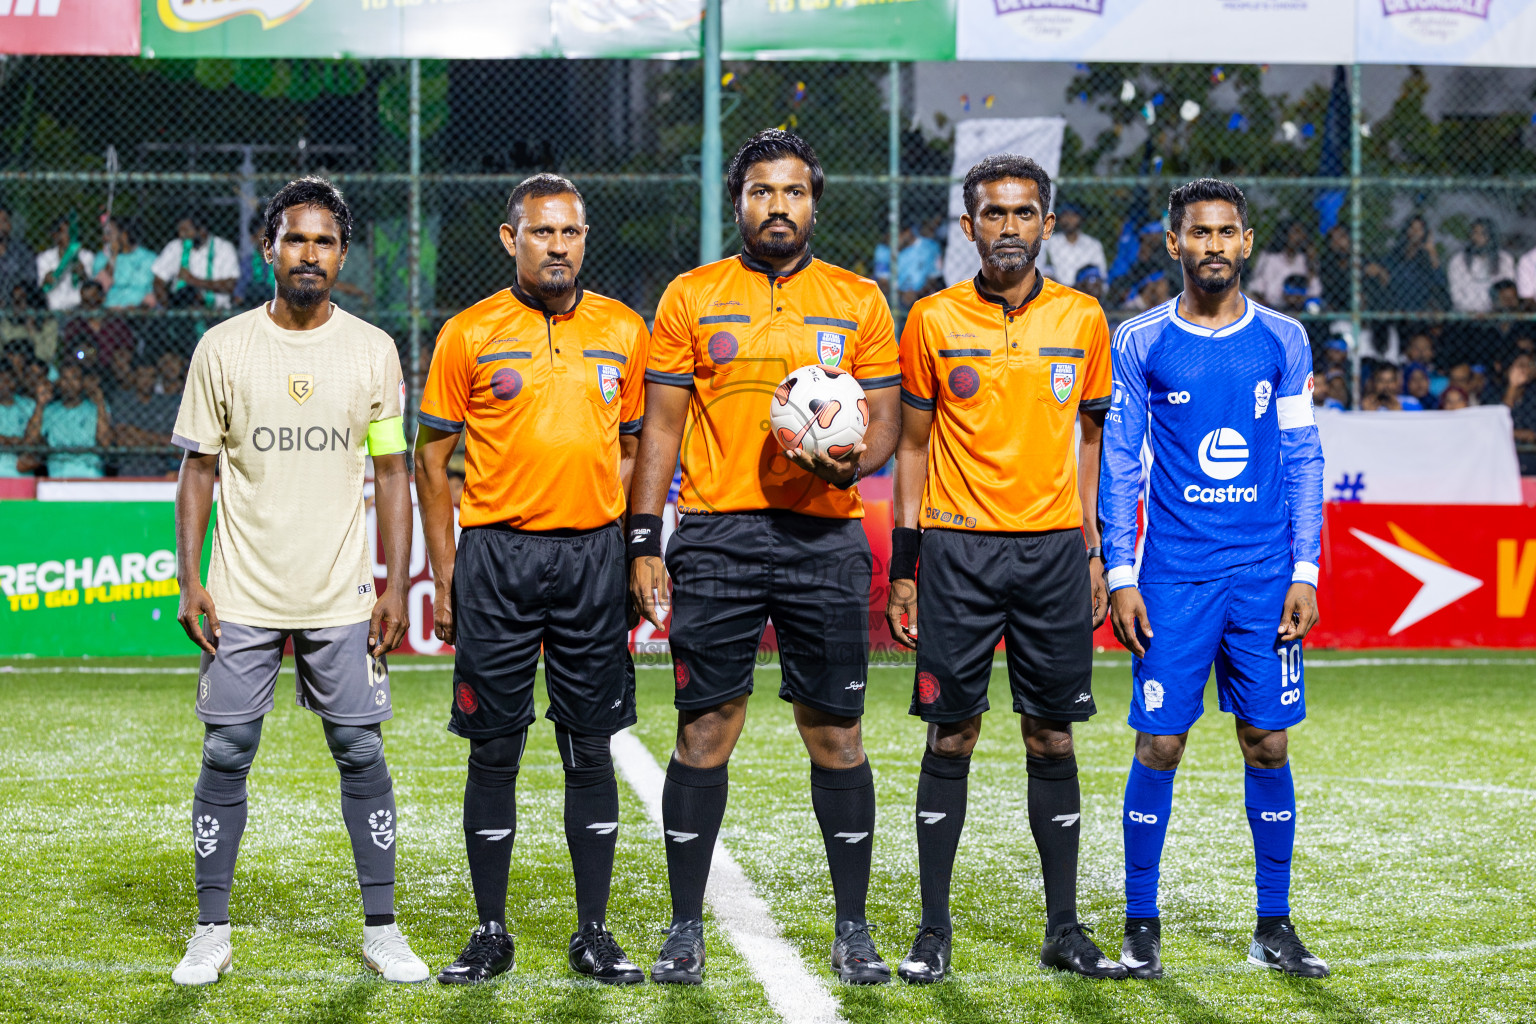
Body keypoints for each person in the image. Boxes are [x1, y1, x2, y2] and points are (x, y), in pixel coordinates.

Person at [628, 129, 901, 986]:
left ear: (814, 202)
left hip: (825, 535)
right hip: (717, 534)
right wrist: (646, 538)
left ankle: (852, 928)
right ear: (739, 200)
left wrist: (851, 458)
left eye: (792, 192)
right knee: (706, 728)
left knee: (837, 734)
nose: (776, 207)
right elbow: (662, 429)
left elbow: (886, 423)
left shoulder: (858, 300)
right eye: (760, 192)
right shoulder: (690, 296)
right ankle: (682, 926)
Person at [167, 176, 427, 986]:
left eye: (323, 241)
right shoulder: (223, 347)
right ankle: (211, 929)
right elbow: (197, 471)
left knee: (359, 749)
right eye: (294, 239)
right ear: (268, 249)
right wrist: (189, 578)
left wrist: (390, 584)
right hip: (242, 589)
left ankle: (382, 928)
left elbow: (391, 472)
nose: (308, 253)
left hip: (341, 593)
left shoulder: (373, 350)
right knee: (228, 749)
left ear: (341, 255)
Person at [884, 154, 1122, 984]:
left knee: (1051, 733)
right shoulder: (932, 320)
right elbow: (911, 447)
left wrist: (1096, 550)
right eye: (994, 214)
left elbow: (1095, 443)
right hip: (957, 551)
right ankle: (933, 929)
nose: (1010, 228)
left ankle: (1065, 927)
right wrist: (905, 567)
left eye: (1025, 214)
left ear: (1048, 225)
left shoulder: (1085, 320)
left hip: (1055, 551)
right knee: (954, 730)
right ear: (968, 226)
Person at [415, 174, 650, 986]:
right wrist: (446, 573)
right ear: (510, 238)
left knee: (590, 749)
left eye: (572, 233)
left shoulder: (624, 329)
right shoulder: (468, 333)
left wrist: (630, 549)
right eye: (543, 232)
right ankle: (490, 931)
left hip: (591, 558)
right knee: (495, 750)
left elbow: (629, 448)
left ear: (585, 239)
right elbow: (430, 458)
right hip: (497, 560)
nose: (559, 246)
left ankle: (593, 933)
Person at [1101, 178, 1328, 980]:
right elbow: (1120, 462)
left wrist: (1306, 567)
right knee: (1159, 741)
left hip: (1267, 579)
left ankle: (1274, 923)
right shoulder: (1140, 341)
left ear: (1247, 241)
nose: (1214, 246)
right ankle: (1141, 921)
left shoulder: (1284, 340)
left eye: (1227, 232)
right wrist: (1121, 571)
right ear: (1174, 244)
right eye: (1199, 233)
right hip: (1173, 579)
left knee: (1267, 741)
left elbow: (1303, 459)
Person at [23, 361, 109, 477]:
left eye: (75, 378)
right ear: (58, 383)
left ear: (83, 382)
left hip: (90, 475)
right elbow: (30, 441)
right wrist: (40, 405)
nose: (70, 384)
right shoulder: (50, 410)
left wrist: (100, 403)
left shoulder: (95, 408)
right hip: (59, 475)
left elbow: (105, 442)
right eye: (65, 379)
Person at [153, 208, 240, 311]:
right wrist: (170, 306)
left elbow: (231, 285)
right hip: (182, 312)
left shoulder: (223, 248)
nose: (181, 235)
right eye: (179, 231)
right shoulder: (175, 247)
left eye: (186, 230)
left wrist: (194, 281)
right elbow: (158, 282)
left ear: (202, 230)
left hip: (218, 312)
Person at [111, 361, 179, 477]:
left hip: (159, 470)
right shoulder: (123, 402)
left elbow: (173, 444)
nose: (147, 381)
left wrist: (134, 433)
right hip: (128, 469)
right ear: (134, 377)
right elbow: (121, 441)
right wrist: (157, 442)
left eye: (151, 376)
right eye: (142, 376)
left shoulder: (166, 404)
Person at [1378, 215, 1448, 313]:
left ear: (1424, 233)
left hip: (1419, 312)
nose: (1415, 232)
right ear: (1407, 231)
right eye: (1412, 228)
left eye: (1419, 229)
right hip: (1395, 310)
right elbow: (1382, 268)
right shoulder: (1395, 255)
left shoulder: (1427, 259)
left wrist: (1432, 252)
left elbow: (1440, 282)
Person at [1446, 218, 1515, 314]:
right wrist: (1472, 311)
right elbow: (1456, 294)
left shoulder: (1505, 259)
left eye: (1483, 234)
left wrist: (1493, 310)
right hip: (1466, 314)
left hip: (1496, 313)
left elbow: (1507, 291)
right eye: (1474, 233)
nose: (1477, 238)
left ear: (1492, 236)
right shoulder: (1458, 261)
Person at [62, 280, 135, 369]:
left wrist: (120, 356)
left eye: (92, 300)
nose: (89, 306)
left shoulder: (116, 323)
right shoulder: (75, 325)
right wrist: (79, 355)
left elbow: (128, 347)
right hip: (84, 371)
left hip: (112, 370)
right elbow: (67, 354)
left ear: (102, 299)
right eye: (85, 301)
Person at [1245, 220, 1318, 309]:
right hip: (1272, 306)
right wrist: (1286, 296)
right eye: (1296, 232)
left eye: (1302, 233)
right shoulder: (1270, 257)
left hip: (1300, 307)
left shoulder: (1303, 258)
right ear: (1285, 234)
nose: (1300, 237)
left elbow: (1316, 290)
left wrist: (1311, 263)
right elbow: (1264, 290)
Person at [93, 217, 158, 310]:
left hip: (140, 310)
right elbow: (100, 288)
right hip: (109, 311)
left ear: (124, 235)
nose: (105, 238)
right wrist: (113, 257)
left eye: (109, 233)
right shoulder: (102, 258)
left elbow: (149, 289)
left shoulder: (148, 258)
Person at [36, 215, 95, 313]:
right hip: (53, 309)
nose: (69, 235)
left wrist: (83, 275)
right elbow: (40, 288)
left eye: (72, 231)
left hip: (78, 309)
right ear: (55, 235)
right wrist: (46, 279)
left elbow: (92, 286)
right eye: (65, 232)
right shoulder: (44, 258)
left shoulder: (86, 256)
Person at [1044, 202, 1106, 291]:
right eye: (1065, 215)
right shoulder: (1051, 243)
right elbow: (1044, 269)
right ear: (1060, 219)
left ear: (1081, 218)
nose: (1069, 219)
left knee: (1092, 280)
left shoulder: (1093, 245)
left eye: (1073, 215)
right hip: (1058, 291)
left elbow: (1101, 276)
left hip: (1084, 292)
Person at [1, 282, 59, 364]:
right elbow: (7, 342)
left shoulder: (49, 323)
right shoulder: (7, 321)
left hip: (38, 367)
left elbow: (46, 355)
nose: (16, 303)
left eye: (21, 299)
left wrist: (33, 331)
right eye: (14, 299)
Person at [0, 366, 36, 477]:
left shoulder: (30, 405)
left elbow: (33, 440)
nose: (6, 384)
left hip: (21, 473)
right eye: (1, 380)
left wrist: (5, 441)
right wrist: (15, 442)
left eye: (9, 380)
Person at [0, 207, 35, 303]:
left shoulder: (22, 250)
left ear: (9, 225)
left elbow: (30, 278)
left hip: (15, 303)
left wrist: (17, 289)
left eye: (4, 221)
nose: (1, 226)